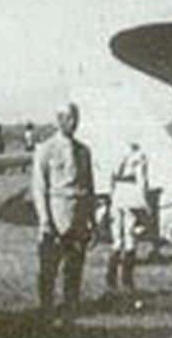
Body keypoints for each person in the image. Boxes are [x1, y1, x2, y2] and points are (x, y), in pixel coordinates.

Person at [30, 103, 95, 323]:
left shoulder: (84, 151)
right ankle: (46, 311)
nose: (73, 123)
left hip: (78, 217)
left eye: (76, 118)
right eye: (68, 118)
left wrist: (91, 219)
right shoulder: (45, 149)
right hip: (55, 217)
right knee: (49, 269)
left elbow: (89, 186)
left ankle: (70, 313)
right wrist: (45, 220)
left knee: (74, 268)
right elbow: (39, 188)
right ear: (59, 120)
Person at [105, 141, 154, 293]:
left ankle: (111, 276)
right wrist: (145, 204)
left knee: (117, 239)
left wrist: (111, 196)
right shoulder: (139, 156)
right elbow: (142, 181)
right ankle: (127, 279)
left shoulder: (116, 152)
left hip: (117, 195)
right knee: (130, 238)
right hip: (132, 195)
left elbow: (111, 177)